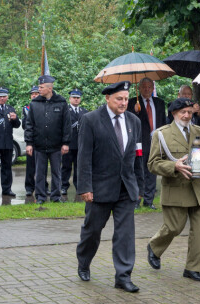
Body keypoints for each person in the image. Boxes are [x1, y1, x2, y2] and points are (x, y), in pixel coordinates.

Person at [76, 81, 144, 293]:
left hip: (126, 188)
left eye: (126, 99)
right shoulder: (90, 120)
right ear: (107, 98)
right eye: (119, 99)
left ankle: (123, 276)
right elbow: (84, 156)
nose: (124, 103)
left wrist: (140, 186)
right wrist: (85, 187)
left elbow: (137, 156)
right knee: (92, 231)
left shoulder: (134, 121)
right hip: (99, 189)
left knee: (125, 234)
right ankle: (84, 261)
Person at [146, 98, 200, 282]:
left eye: (190, 112)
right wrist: (174, 166)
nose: (186, 116)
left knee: (198, 231)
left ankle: (192, 269)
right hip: (175, 189)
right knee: (174, 227)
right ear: (173, 113)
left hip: (198, 189)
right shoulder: (161, 134)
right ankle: (154, 246)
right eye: (182, 112)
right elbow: (153, 164)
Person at [25, 75, 71, 204]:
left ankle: (56, 196)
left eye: (41, 87)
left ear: (50, 88)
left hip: (56, 145)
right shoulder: (34, 103)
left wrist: (65, 143)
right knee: (40, 173)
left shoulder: (61, 102)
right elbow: (29, 124)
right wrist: (29, 143)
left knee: (56, 172)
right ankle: (40, 196)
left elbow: (66, 124)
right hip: (39, 145)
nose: (38, 89)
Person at [127, 77, 166, 209]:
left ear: (153, 88)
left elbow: (163, 122)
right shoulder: (132, 103)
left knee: (152, 171)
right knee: (139, 170)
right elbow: (129, 121)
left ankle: (149, 201)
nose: (147, 89)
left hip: (155, 142)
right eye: (144, 87)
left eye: (149, 87)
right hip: (139, 142)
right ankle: (137, 199)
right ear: (139, 88)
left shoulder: (160, 103)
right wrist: (135, 111)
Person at [22, 86, 48, 197]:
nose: (34, 95)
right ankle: (29, 187)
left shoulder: (45, 106)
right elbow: (25, 125)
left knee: (43, 167)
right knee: (30, 166)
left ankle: (44, 187)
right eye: (32, 94)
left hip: (42, 141)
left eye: (37, 93)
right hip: (31, 141)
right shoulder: (27, 108)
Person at [61, 89, 88, 196]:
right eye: (74, 98)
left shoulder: (84, 112)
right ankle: (64, 186)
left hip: (80, 144)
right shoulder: (65, 111)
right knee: (66, 167)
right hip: (68, 143)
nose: (76, 100)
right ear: (70, 98)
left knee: (79, 167)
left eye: (78, 98)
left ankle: (78, 186)